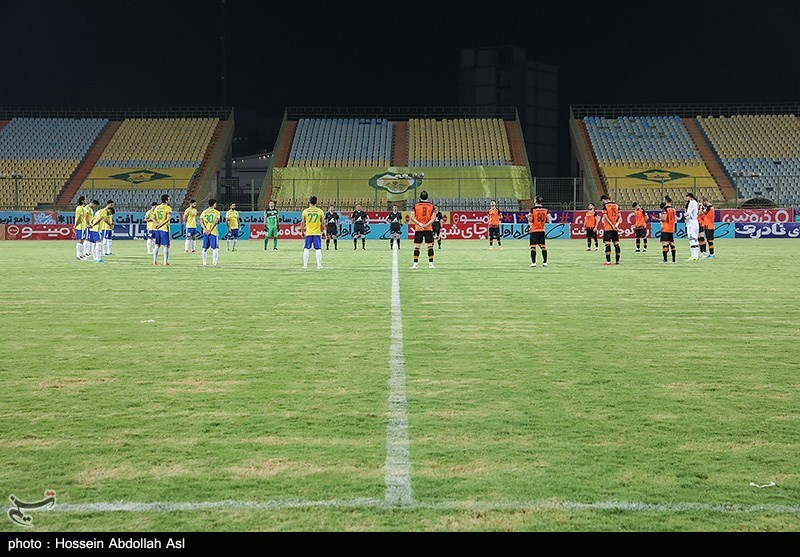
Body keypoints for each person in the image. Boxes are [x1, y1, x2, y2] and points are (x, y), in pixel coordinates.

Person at [410, 190, 436, 270]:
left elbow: (412, 217)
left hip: (418, 228)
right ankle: (431, 264)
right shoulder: (432, 206)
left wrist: (420, 224)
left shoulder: (415, 206)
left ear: (420, 197)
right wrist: (426, 225)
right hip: (428, 228)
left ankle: (415, 264)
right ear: (427, 197)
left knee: (417, 247)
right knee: (430, 246)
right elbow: (433, 219)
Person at [301, 196, 325, 269]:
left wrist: (302, 232)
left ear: (309, 202)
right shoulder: (320, 211)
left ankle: (305, 265)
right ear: (316, 202)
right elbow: (323, 223)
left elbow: (302, 223)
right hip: (317, 233)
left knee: (306, 248)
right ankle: (319, 265)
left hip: (308, 232)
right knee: (318, 249)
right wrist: (323, 231)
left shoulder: (305, 211)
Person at [528, 196, 550, 267]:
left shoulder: (532, 209)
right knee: (543, 247)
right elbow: (549, 220)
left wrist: (528, 217)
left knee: (533, 247)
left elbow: (531, 220)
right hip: (542, 230)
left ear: (535, 201)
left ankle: (534, 263)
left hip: (534, 230)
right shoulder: (546, 210)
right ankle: (545, 262)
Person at [600, 194, 621, 266]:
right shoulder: (616, 205)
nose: (602, 202)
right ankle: (617, 261)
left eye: (602, 201)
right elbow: (619, 217)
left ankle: (608, 261)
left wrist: (612, 225)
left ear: (603, 200)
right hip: (615, 228)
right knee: (616, 244)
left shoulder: (605, 206)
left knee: (607, 245)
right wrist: (616, 225)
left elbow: (605, 217)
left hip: (608, 228)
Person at [200, 199, 221, 267]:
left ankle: (204, 263)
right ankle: (214, 264)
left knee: (204, 248)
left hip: (205, 232)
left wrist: (205, 229)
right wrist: (210, 230)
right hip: (213, 232)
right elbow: (215, 222)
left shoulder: (204, 212)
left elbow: (201, 221)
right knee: (215, 248)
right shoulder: (216, 212)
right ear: (214, 204)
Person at [152, 194, 172, 266]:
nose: (169, 201)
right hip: (164, 229)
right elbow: (168, 219)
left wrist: (157, 224)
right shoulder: (168, 208)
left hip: (157, 229)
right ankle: (165, 262)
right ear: (166, 200)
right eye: (169, 199)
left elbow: (153, 218)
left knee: (157, 245)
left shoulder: (157, 208)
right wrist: (161, 225)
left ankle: (154, 262)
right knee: (166, 245)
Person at [660, 197, 677, 263]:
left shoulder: (665, 209)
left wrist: (660, 218)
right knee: (672, 243)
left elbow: (664, 218)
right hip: (671, 228)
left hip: (665, 228)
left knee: (665, 244)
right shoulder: (673, 209)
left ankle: (665, 259)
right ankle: (673, 259)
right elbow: (675, 218)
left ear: (666, 201)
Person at [684, 192, 700, 261]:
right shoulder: (695, 203)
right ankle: (696, 255)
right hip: (695, 222)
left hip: (691, 222)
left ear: (689, 197)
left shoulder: (691, 203)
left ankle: (693, 255)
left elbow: (689, 212)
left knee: (691, 239)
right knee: (695, 239)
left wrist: (685, 214)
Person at [74, 196, 87, 260]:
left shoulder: (82, 208)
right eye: (85, 199)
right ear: (82, 201)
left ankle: (80, 255)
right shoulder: (80, 208)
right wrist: (75, 225)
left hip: (83, 226)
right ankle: (78, 256)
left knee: (82, 240)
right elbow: (78, 217)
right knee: (80, 240)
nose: (86, 200)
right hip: (80, 226)